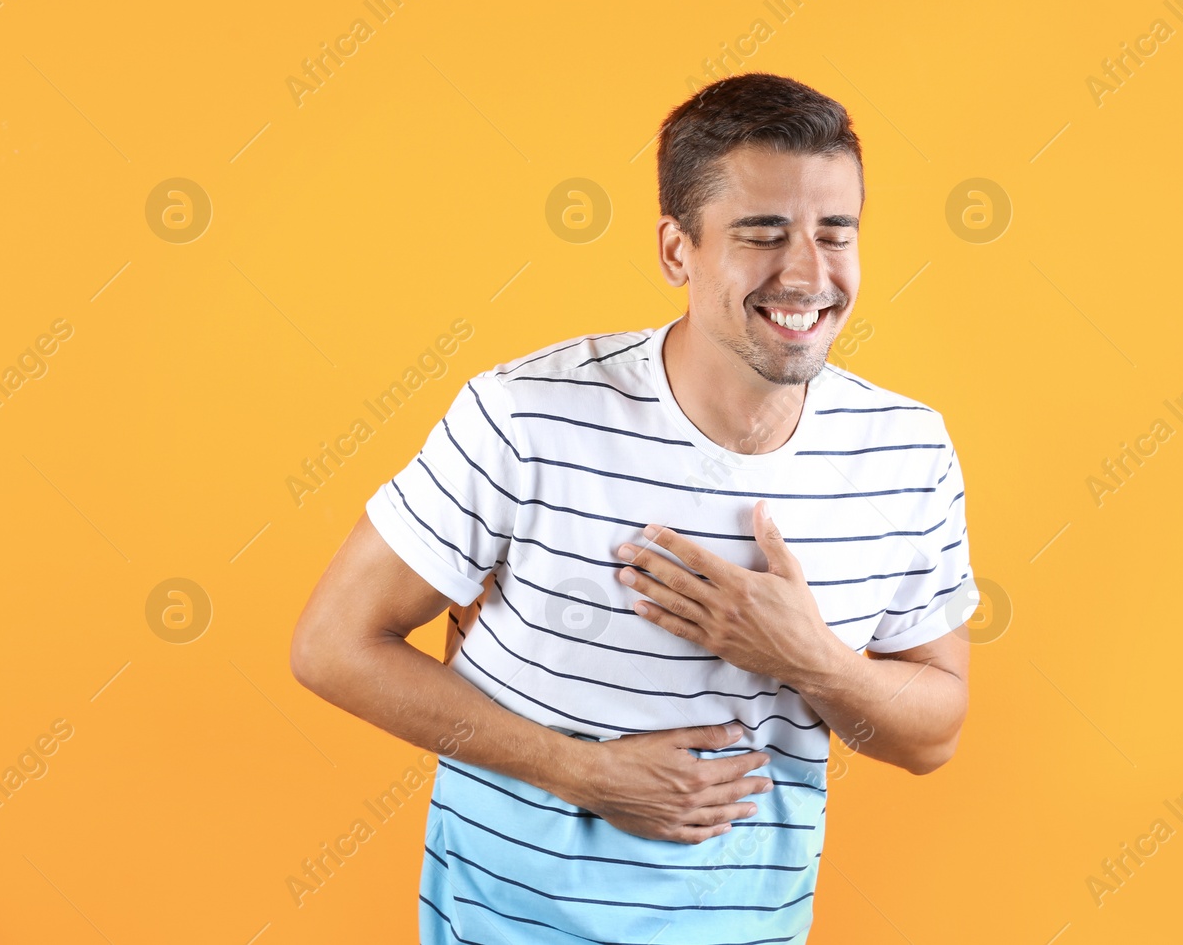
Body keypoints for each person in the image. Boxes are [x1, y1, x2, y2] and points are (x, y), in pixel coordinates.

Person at [290, 71, 977, 943]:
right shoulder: (527, 414)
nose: (809, 272)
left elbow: (932, 733)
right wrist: (582, 772)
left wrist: (807, 657)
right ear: (676, 251)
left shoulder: (906, 449)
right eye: (763, 233)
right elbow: (332, 646)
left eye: (835, 232)